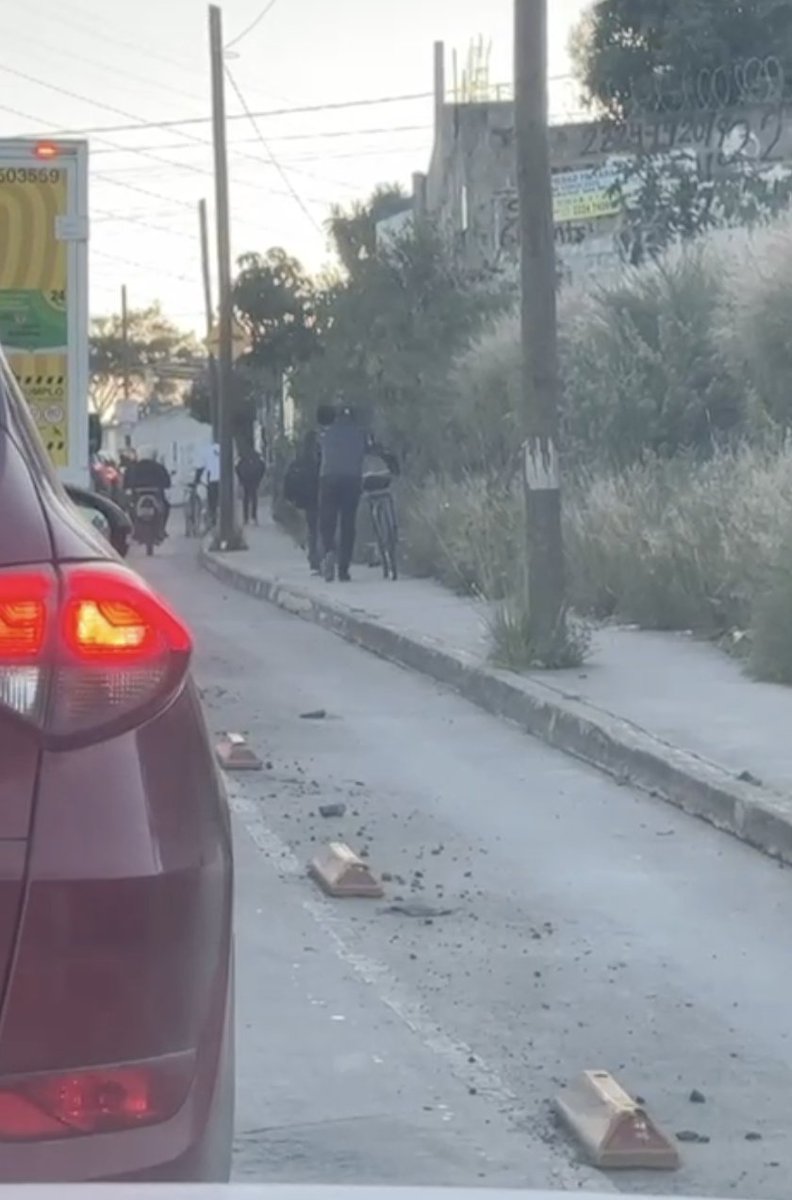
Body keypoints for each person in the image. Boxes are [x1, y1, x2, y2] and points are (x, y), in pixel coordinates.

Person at [318, 405, 394, 583]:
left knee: (327, 519)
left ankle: (329, 550)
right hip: (351, 479)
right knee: (348, 523)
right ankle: (343, 568)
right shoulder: (360, 432)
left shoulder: (325, 433)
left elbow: (318, 452)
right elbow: (372, 450)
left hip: (328, 478)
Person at [283, 405, 335, 573]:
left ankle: (315, 557)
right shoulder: (330, 438)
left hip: (310, 492)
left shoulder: (311, 440)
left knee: (314, 525)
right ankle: (325, 554)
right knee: (326, 524)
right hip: (325, 487)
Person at [124, 447, 172, 536]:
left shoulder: (132, 468)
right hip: (156, 494)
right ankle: (162, 529)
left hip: (137, 495)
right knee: (166, 506)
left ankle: (134, 529)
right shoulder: (159, 467)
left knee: (130, 508)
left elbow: (126, 484)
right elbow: (167, 483)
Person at [236, 446, 266, 524]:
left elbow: (237, 468)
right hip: (254, 480)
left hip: (247, 480)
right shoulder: (258, 459)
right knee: (253, 498)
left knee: (246, 499)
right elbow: (263, 468)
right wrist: (259, 479)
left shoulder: (243, 459)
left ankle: (246, 518)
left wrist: (241, 479)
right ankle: (253, 516)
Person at [196, 441, 220, 526]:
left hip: (212, 480)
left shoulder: (206, 450)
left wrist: (196, 480)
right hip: (223, 480)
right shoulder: (223, 448)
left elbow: (200, 467)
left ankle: (213, 520)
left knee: (212, 502)